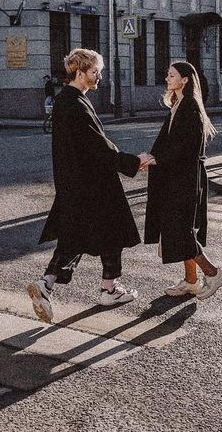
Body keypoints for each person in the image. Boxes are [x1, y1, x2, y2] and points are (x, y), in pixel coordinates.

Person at [28, 49, 151, 323]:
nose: (99, 76)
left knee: (82, 235)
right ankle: (88, 287)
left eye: (99, 71)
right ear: (80, 72)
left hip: (77, 181)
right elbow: (96, 145)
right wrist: (132, 162)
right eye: (95, 71)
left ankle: (63, 285)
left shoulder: (68, 100)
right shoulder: (74, 103)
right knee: (106, 231)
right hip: (92, 182)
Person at [143, 61, 222, 300]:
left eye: (172, 75)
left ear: (185, 80)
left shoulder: (190, 106)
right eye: (167, 75)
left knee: (180, 229)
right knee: (181, 228)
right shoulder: (178, 104)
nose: (167, 79)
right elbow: (166, 142)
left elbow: (185, 147)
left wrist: (156, 160)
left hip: (186, 178)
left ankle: (212, 274)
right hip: (177, 176)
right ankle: (191, 281)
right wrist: (150, 157)